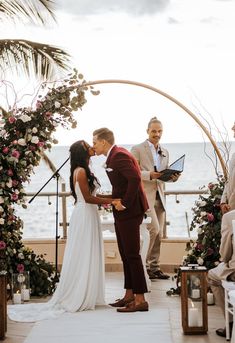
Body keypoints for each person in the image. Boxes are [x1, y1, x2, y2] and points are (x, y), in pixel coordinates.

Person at [8, 140, 116, 322]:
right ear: (82, 153)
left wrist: (113, 197)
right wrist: (112, 201)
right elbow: (88, 198)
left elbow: (94, 196)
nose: (92, 147)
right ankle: (79, 293)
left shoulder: (85, 170)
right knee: (83, 254)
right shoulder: (80, 172)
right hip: (84, 215)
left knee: (88, 252)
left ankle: (90, 291)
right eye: (88, 146)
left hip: (90, 215)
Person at [93, 128, 149, 313]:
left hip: (129, 211)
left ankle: (140, 300)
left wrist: (124, 203)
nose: (94, 146)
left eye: (95, 142)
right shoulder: (115, 155)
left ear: (103, 142)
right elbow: (123, 184)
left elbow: (135, 178)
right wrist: (111, 197)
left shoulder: (118, 156)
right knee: (125, 254)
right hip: (124, 211)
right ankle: (129, 295)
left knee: (132, 254)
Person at [131, 117, 180, 281]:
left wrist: (173, 177)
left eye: (160, 131)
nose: (157, 134)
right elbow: (133, 172)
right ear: (147, 131)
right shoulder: (137, 149)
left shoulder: (165, 151)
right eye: (154, 131)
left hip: (161, 196)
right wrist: (150, 175)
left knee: (159, 234)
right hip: (144, 196)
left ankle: (154, 267)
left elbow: (163, 175)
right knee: (154, 229)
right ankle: (142, 267)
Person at [208, 209, 235, 337]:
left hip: (234, 272)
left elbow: (225, 255)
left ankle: (231, 322)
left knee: (212, 276)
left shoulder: (230, 217)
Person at [220, 122, 235, 215]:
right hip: (230, 208)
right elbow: (229, 180)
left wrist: (231, 205)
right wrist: (223, 201)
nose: (232, 127)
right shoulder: (234, 155)